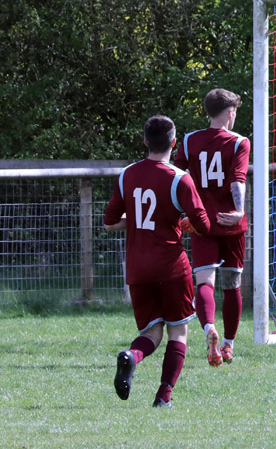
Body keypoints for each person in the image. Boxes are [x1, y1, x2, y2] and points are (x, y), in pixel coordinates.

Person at [104, 115, 211, 407]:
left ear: (144, 141)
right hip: (171, 267)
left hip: (138, 268)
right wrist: (186, 223)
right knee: (178, 331)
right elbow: (204, 224)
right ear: (174, 143)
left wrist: (136, 221)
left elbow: (109, 223)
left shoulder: (127, 174)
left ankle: (132, 355)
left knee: (151, 331)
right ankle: (163, 397)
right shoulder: (179, 178)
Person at [175, 88, 250, 366]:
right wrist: (239, 211)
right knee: (232, 285)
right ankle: (228, 345)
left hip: (202, 222)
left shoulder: (189, 140)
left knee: (204, 281)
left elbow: (177, 177)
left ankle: (209, 328)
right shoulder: (239, 142)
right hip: (231, 223)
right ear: (230, 113)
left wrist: (181, 212)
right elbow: (237, 179)